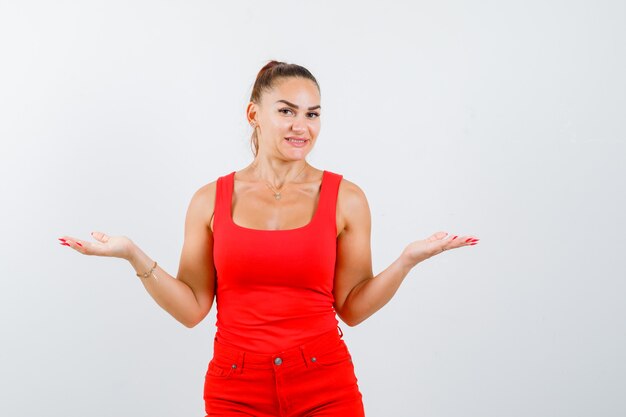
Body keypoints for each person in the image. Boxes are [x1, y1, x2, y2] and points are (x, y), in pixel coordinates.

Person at [58, 60, 480, 416]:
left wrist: (407, 260)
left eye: (313, 114)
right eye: (286, 111)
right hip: (235, 388)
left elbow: (351, 307)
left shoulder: (346, 199)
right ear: (253, 114)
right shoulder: (210, 200)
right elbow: (191, 309)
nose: (302, 126)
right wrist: (133, 255)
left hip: (325, 383)